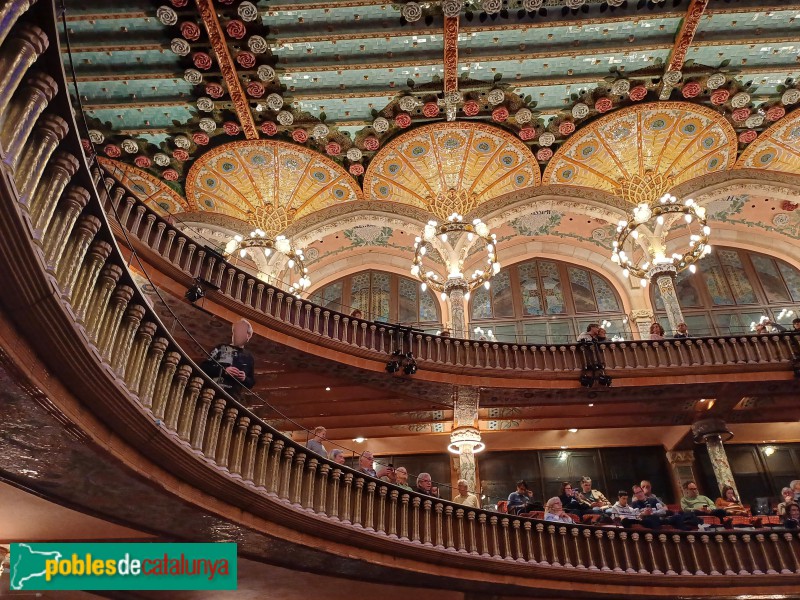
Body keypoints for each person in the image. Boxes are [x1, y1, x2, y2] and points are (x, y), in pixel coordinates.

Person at [200, 319, 255, 400]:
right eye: (235, 331)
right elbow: (204, 367)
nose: (237, 334)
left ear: (248, 335)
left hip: (233, 398)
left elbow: (251, 382)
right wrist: (223, 371)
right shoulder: (220, 348)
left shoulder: (249, 358)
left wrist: (244, 378)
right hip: (212, 393)